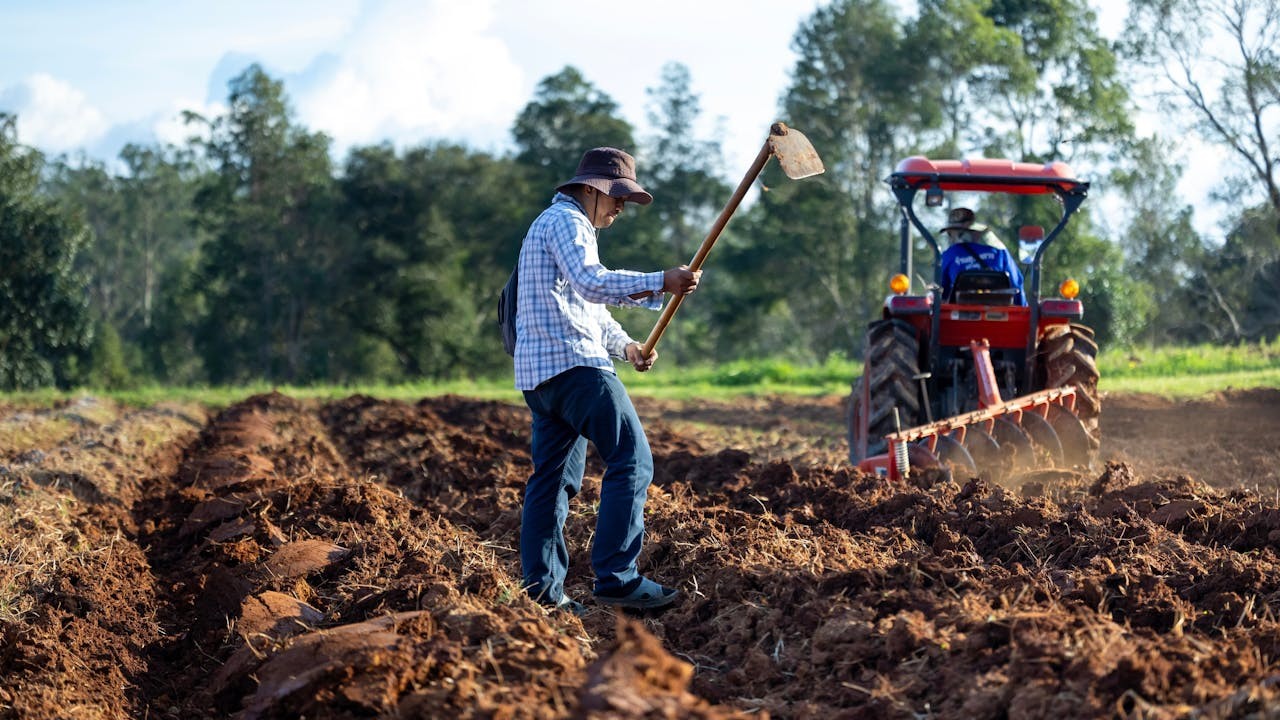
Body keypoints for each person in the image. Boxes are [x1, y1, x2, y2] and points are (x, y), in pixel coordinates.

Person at [513, 146, 700, 615]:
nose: (620, 208)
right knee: (632, 460)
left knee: (552, 482)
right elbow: (593, 282)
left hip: (542, 378)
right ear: (592, 189)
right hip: (575, 368)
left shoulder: (556, 225)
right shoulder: (568, 222)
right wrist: (662, 280)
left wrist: (628, 346)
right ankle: (618, 578)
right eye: (617, 197)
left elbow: (588, 308)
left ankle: (543, 595)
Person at [937, 206, 1026, 305]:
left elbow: (941, 291)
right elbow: (1016, 285)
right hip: (998, 311)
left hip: (961, 312)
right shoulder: (999, 252)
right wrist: (1023, 310)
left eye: (953, 233)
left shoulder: (948, 255)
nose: (953, 237)